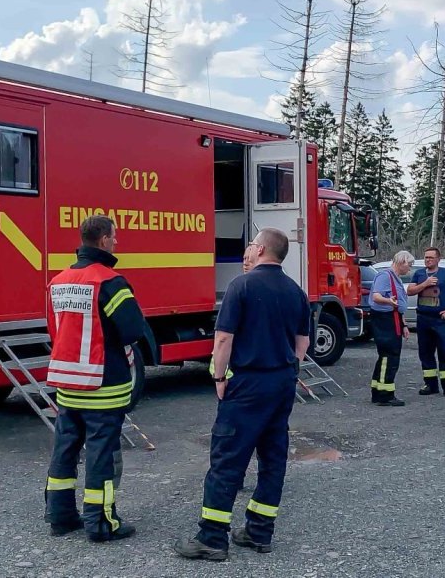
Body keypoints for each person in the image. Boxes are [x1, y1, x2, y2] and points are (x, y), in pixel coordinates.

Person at [175, 228, 312, 561]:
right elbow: (302, 345)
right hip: (281, 384)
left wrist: (218, 376)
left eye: (251, 244)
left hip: (247, 385)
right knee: (273, 459)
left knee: (227, 460)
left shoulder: (242, 285)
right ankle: (259, 531)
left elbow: (223, 340)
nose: (248, 249)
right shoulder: (297, 292)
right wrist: (284, 371)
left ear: (261, 248)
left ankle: (211, 538)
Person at [43, 215, 148, 542]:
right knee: (101, 455)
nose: (116, 242)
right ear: (103, 239)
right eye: (114, 237)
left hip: (66, 381)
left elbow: (57, 330)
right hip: (103, 384)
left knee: (65, 449)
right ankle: (101, 523)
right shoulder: (110, 281)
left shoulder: (59, 281)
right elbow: (133, 330)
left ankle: (60, 517)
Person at [408, 247, 445, 397]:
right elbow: (410, 291)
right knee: (425, 352)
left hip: (440, 319)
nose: (428, 260)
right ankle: (430, 383)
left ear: (438, 259)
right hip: (423, 318)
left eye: (431, 257)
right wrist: (425, 284)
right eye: (426, 257)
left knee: (444, 351)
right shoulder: (419, 274)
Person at [368, 250, 413, 405]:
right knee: (389, 356)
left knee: (387, 357)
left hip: (393, 319)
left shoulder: (396, 279)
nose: (410, 269)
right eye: (410, 265)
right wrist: (389, 302)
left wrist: (404, 324)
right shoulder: (385, 276)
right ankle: (384, 395)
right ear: (401, 262)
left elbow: (399, 305)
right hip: (385, 320)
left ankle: (378, 391)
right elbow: (376, 296)